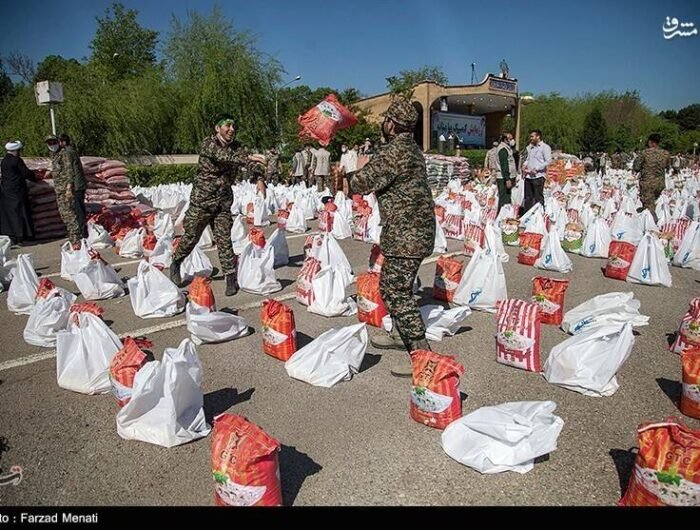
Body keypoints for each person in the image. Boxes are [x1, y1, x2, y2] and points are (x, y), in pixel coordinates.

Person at [348, 98, 436, 378]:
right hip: (415, 230)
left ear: (392, 124)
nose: (383, 123)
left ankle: (423, 356)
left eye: (386, 120)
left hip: (406, 233)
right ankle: (400, 334)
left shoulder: (393, 151)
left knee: (395, 290)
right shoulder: (411, 148)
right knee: (400, 285)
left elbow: (361, 182)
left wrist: (353, 169)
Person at [170, 113, 264, 295]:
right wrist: (248, 158)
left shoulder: (238, 148)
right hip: (202, 201)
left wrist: (259, 178)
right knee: (191, 237)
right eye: (227, 126)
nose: (231, 129)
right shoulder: (208, 144)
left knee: (224, 238)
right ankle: (176, 262)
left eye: (233, 126)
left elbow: (251, 165)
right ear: (217, 128)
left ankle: (230, 277)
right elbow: (224, 156)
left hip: (223, 201)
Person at [46, 135, 82, 247]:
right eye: (49, 143)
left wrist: (68, 188)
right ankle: (72, 238)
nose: (52, 145)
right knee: (64, 215)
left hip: (66, 189)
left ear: (58, 142)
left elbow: (69, 172)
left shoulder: (64, 154)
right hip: (59, 190)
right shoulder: (54, 155)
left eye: (53, 142)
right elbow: (59, 171)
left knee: (70, 214)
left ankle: (76, 240)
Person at [1, 140, 36, 245]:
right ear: (16, 151)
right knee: (20, 213)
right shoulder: (16, 160)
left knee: (10, 215)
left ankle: (12, 237)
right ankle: (23, 236)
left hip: (6, 190)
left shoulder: (4, 161)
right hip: (17, 190)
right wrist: (34, 177)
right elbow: (25, 173)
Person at [633, 133, 670, 216]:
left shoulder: (644, 153)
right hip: (660, 183)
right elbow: (667, 166)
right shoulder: (665, 154)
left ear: (650, 142)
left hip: (648, 183)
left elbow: (636, 167)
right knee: (652, 203)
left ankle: (652, 222)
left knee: (649, 209)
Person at [521, 129, 551, 213]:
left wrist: (537, 168)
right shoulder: (531, 148)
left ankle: (539, 215)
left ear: (538, 137)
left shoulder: (545, 147)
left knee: (538, 198)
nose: (531, 138)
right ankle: (527, 215)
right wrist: (524, 165)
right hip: (528, 176)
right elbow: (528, 159)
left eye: (532, 136)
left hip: (538, 176)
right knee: (528, 198)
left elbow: (548, 161)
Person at [494, 132, 517, 212]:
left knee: (507, 198)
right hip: (503, 178)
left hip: (507, 177)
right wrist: (507, 179)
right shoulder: (503, 150)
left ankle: (506, 214)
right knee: (504, 199)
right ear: (505, 139)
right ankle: (502, 215)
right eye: (510, 139)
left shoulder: (507, 148)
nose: (512, 140)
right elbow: (504, 165)